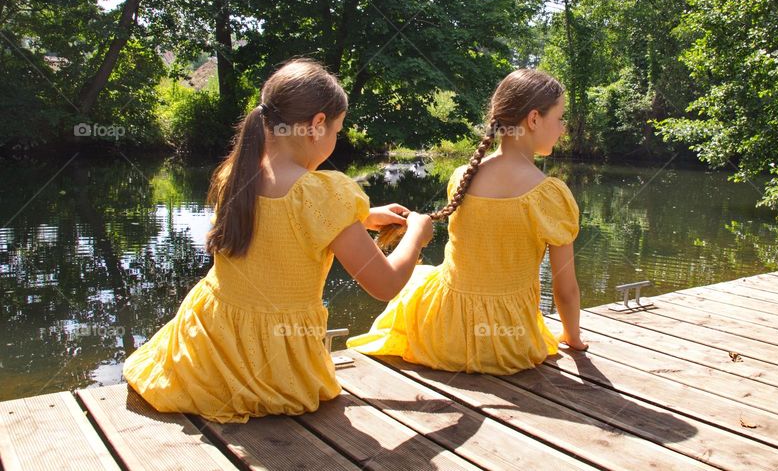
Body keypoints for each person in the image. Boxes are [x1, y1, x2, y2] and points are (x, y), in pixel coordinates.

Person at [122, 58, 433, 423]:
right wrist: (416, 234)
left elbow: (284, 215)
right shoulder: (327, 193)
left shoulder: (236, 173)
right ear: (318, 125)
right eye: (338, 130)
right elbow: (386, 284)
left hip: (207, 354)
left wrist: (365, 216)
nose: (336, 139)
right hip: (276, 371)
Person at [347, 68, 587, 374]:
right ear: (534, 119)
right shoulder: (550, 196)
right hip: (509, 345)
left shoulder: (463, 177)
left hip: (444, 335)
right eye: (559, 118)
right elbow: (565, 288)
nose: (563, 128)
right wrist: (572, 337)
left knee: (423, 278)